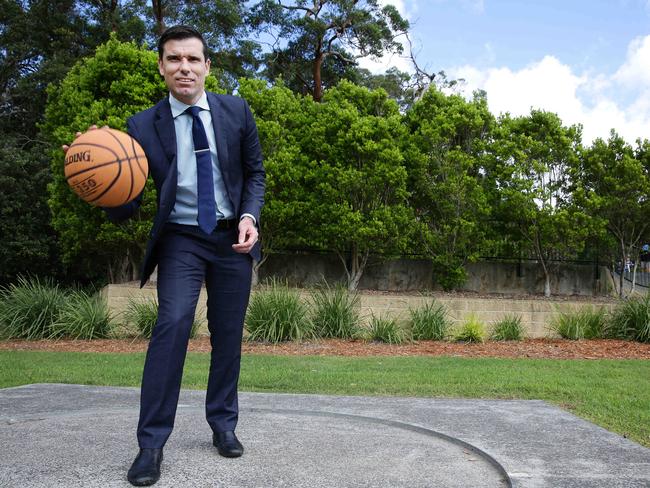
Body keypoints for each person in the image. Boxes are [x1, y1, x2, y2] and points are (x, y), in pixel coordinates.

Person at [65, 25, 265, 486]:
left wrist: (250, 216)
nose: (184, 68)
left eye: (193, 59)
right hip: (181, 238)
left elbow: (255, 173)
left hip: (232, 236)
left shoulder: (235, 112)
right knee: (172, 324)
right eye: (174, 59)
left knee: (228, 332)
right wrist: (92, 179)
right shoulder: (140, 126)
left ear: (207, 66)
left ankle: (223, 424)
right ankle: (150, 445)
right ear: (161, 67)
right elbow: (129, 201)